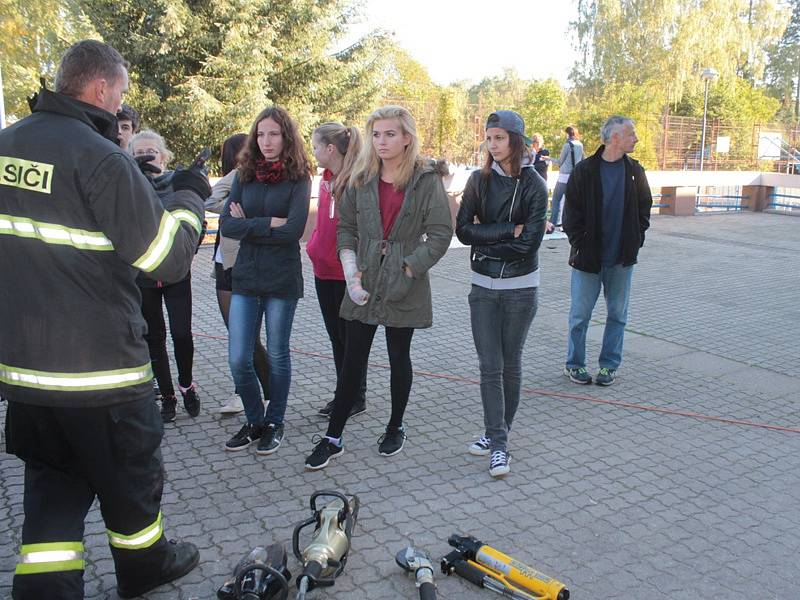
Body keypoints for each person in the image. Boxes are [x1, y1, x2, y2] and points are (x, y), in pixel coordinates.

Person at [0, 40, 210, 599]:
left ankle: (44, 589)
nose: (120, 106)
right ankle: (144, 570)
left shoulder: (6, 145)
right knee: (130, 482)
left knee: (51, 488)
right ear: (99, 89)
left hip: (26, 378)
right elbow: (165, 259)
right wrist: (188, 199)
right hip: (103, 377)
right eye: (118, 94)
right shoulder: (98, 158)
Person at [304, 105, 453, 471]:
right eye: (376, 134)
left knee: (398, 356)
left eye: (390, 134)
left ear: (407, 138)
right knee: (353, 357)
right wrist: (351, 267)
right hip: (365, 277)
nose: (381, 141)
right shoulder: (361, 175)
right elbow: (347, 229)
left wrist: (410, 266)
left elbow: (439, 232)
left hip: (405, 281)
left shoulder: (425, 178)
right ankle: (333, 436)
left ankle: (395, 426)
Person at [455, 111, 547, 478]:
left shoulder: (535, 185)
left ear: (515, 140)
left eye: (499, 138)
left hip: (521, 289)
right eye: (488, 138)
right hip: (482, 288)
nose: (492, 145)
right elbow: (463, 232)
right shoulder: (478, 180)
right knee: (489, 367)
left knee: (510, 364)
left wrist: (487, 238)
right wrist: (508, 230)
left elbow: (530, 245)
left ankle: (498, 435)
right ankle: (499, 443)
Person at [219, 106, 312, 454]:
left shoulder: (300, 176)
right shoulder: (244, 174)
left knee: (277, 353)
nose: (266, 141)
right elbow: (228, 226)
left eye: (273, 133)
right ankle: (255, 420)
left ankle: (274, 421)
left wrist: (251, 225)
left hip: (281, 278)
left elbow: (293, 231)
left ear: (286, 136)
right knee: (238, 358)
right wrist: (267, 222)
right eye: (260, 134)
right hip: (246, 275)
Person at [562, 116, 653, 386]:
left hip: (621, 261)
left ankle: (608, 366)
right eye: (631, 134)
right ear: (615, 138)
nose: (635, 139)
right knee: (580, 316)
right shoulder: (585, 171)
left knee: (617, 315)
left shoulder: (635, 171)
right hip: (588, 260)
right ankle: (574, 365)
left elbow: (644, 210)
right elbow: (570, 215)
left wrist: (635, 239)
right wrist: (580, 242)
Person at [129, 129, 202, 423]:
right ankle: (168, 395)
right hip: (143, 275)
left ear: (164, 156)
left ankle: (186, 385)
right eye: (138, 154)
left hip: (175, 274)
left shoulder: (177, 184)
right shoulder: (128, 186)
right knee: (154, 337)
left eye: (151, 153)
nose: (146, 159)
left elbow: (192, 222)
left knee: (182, 333)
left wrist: (185, 255)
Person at [205, 133, 270, 415]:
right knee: (237, 337)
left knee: (247, 338)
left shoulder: (253, 180)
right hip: (224, 264)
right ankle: (243, 392)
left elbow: (210, 200)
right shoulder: (236, 182)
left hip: (246, 264)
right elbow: (211, 202)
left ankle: (268, 394)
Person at [308, 122, 368, 418]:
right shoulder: (325, 179)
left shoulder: (358, 180)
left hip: (348, 274)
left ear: (330, 149)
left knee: (351, 339)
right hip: (323, 270)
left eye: (316, 146)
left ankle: (355, 397)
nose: (314, 152)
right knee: (336, 338)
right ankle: (343, 393)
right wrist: (314, 247)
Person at [547, 125, 583, 231]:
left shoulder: (567, 145)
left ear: (567, 134)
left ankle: (552, 224)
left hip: (564, 177)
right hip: (574, 176)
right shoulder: (580, 145)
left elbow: (560, 161)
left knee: (556, 199)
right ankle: (567, 223)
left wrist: (548, 158)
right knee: (570, 201)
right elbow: (582, 160)